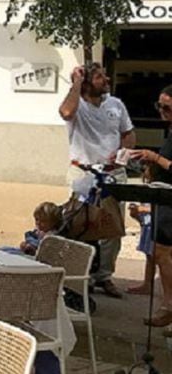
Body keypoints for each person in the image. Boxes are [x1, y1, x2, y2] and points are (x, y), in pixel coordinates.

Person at [59, 62, 135, 297]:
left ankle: (105, 275)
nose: (107, 80)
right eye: (100, 77)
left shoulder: (116, 105)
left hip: (113, 174)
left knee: (112, 228)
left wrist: (123, 154)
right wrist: (76, 83)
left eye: (105, 76)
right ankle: (84, 275)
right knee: (81, 225)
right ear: (88, 83)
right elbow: (66, 113)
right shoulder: (77, 103)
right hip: (83, 172)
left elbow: (128, 134)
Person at [129, 84, 172, 326]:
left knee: (162, 252)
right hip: (163, 199)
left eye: (167, 107)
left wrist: (155, 158)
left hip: (170, 202)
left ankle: (169, 306)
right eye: (160, 106)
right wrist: (153, 166)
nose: (162, 112)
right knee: (160, 251)